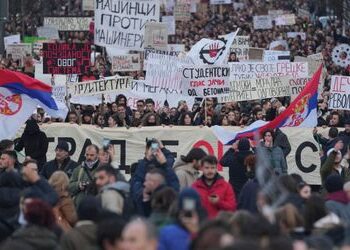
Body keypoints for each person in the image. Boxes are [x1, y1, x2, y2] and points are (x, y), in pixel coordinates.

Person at [130, 139, 179, 215]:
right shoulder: (162, 168)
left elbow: (137, 181)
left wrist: (147, 159)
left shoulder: (143, 167)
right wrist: (163, 150)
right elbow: (174, 184)